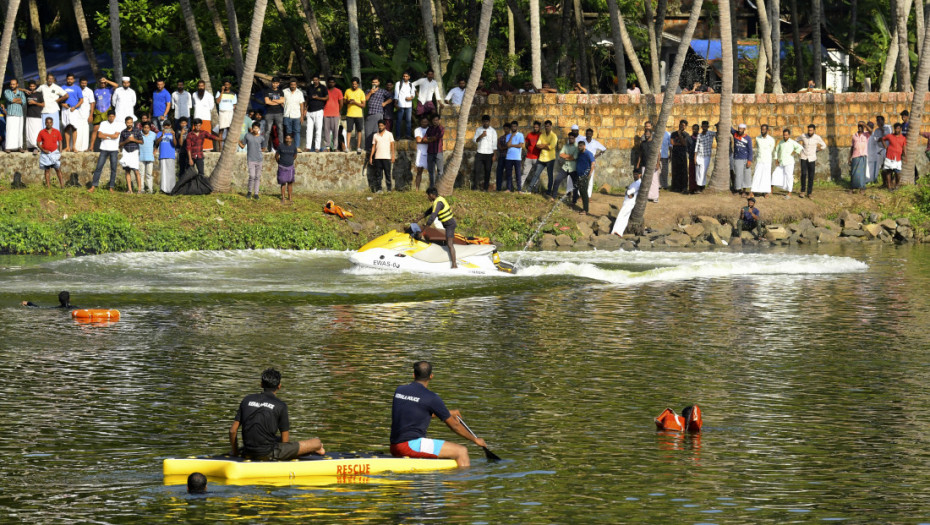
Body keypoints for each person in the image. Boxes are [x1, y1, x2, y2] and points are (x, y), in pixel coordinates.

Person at [390, 361, 487, 467]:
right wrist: (475, 439)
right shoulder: (431, 398)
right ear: (431, 376)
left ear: (413, 375)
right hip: (411, 445)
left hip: (394, 445)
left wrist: (447, 413)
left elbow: (418, 411)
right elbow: (455, 426)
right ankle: (461, 481)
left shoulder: (399, 390)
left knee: (447, 451)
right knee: (461, 451)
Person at [229, 368, 325, 461]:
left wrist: (235, 452)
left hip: (247, 451)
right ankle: (317, 448)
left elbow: (233, 431)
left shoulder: (247, 399)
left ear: (261, 384)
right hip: (268, 453)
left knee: (276, 439)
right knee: (316, 442)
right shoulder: (280, 405)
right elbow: (285, 442)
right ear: (279, 386)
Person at [90, 111, 121, 192]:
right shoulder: (103, 123)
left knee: (113, 168)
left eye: (113, 116)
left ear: (115, 116)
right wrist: (111, 135)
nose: (111, 117)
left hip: (114, 149)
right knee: (99, 167)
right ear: (107, 116)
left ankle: (111, 187)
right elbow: (99, 135)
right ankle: (93, 186)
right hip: (104, 148)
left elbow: (116, 136)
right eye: (110, 116)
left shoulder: (118, 124)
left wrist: (106, 135)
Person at [527, 120, 558, 194]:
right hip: (541, 158)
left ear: (551, 126)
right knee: (536, 174)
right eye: (545, 126)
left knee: (550, 175)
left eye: (548, 126)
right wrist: (546, 145)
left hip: (550, 159)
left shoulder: (554, 136)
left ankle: (549, 191)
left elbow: (551, 147)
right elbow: (537, 145)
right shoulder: (542, 135)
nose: (546, 128)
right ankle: (529, 190)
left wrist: (543, 145)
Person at [574, 128, 607, 198]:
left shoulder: (595, 142)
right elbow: (577, 149)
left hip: (591, 162)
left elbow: (604, 149)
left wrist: (597, 155)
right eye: (587, 133)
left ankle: (588, 196)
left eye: (590, 134)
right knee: (581, 179)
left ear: (592, 134)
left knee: (590, 179)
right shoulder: (582, 142)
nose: (588, 135)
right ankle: (580, 195)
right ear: (585, 134)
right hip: (582, 162)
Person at [772, 128, 803, 198]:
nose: (785, 136)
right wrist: (776, 159)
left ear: (789, 135)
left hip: (789, 162)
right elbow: (776, 150)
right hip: (781, 162)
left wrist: (794, 152)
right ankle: (771, 190)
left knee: (789, 176)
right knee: (775, 174)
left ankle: (789, 192)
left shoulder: (792, 142)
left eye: (786, 135)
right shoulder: (780, 142)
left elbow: (800, 147)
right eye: (784, 135)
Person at [797, 124, 826, 198]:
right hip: (803, 157)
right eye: (809, 130)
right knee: (803, 174)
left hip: (812, 158)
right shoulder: (803, 136)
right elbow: (796, 141)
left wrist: (818, 149)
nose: (810, 132)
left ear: (814, 130)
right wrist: (799, 149)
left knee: (811, 175)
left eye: (811, 130)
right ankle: (802, 191)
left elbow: (824, 145)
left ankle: (809, 193)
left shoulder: (817, 137)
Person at [611, 169, 642, 236]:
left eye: (636, 175)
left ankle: (615, 231)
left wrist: (627, 191)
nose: (635, 176)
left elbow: (630, 192)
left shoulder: (638, 183)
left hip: (629, 202)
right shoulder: (635, 182)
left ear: (640, 175)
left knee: (621, 216)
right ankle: (619, 232)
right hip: (628, 201)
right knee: (625, 217)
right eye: (634, 174)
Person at [549, 130, 579, 200]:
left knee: (575, 185)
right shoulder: (566, 146)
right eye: (569, 138)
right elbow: (561, 154)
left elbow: (574, 157)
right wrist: (569, 157)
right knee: (557, 180)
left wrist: (567, 156)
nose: (570, 139)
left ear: (574, 139)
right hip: (565, 167)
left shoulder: (577, 147)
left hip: (573, 168)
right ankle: (553, 197)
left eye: (572, 138)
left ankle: (574, 200)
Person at [238, 122, 264, 199]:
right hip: (251, 159)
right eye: (254, 128)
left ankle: (256, 193)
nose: (255, 130)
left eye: (257, 128)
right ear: (252, 128)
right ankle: (249, 191)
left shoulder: (261, 138)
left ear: (259, 129)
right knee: (252, 176)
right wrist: (238, 141)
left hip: (259, 160)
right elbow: (243, 146)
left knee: (257, 177)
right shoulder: (248, 136)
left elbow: (263, 148)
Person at [364, 76, 390, 152]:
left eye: (376, 82)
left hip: (378, 113)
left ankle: (377, 148)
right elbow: (365, 99)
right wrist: (370, 93)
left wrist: (385, 103)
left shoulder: (382, 91)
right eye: (373, 82)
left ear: (378, 83)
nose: (374, 83)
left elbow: (391, 97)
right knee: (368, 131)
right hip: (370, 114)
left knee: (377, 131)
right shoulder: (368, 90)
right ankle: (368, 148)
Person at [37, 117, 64, 188]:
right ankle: (48, 187)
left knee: (58, 169)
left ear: (52, 123)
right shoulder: (41, 132)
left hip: (55, 153)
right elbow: (38, 143)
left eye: (50, 122)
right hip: (45, 154)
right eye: (47, 122)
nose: (49, 124)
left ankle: (62, 186)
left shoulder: (56, 131)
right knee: (47, 171)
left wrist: (60, 152)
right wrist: (43, 150)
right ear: (45, 123)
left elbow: (60, 142)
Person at [119, 116, 144, 193]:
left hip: (134, 152)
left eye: (131, 122)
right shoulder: (123, 132)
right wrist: (127, 140)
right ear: (125, 123)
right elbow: (120, 144)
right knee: (127, 171)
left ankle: (139, 190)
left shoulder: (137, 131)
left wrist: (134, 140)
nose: (130, 124)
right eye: (128, 122)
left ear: (133, 122)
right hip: (126, 152)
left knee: (136, 171)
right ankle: (130, 190)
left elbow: (142, 141)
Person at [472, 115, 497, 191]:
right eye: (484, 121)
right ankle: (475, 187)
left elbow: (494, 144)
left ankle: (485, 188)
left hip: (489, 154)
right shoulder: (479, 130)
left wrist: (494, 155)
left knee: (487, 171)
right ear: (482, 122)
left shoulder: (493, 131)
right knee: (477, 170)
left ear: (489, 122)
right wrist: (481, 136)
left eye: (487, 121)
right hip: (480, 153)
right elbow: (475, 140)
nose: (486, 123)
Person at [369, 119, 395, 192]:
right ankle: (379, 189)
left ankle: (389, 189)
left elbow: (392, 145)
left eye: (381, 125)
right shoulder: (375, 135)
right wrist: (371, 157)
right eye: (379, 126)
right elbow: (373, 146)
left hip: (387, 157)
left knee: (388, 174)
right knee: (378, 174)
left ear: (385, 126)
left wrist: (393, 156)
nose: (380, 127)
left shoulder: (389, 134)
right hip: (377, 157)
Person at [750, 124, 775, 198]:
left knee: (766, 177)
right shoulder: (758, 138)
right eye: (761, 129)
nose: (762, 131)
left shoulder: (771, 139)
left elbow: (771, 150)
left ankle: (765, 192)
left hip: (767, 160)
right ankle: (753, 191)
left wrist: (765, 155)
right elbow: (758, 148)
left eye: (764, 129)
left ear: (767, 130)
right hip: (759, 160)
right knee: (757, 175)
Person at [571, 140, 596, 214]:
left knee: (584, 192)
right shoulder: (579, 153)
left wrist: (589, 174)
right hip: (579, 174)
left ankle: (585, 210)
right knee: (581, 192)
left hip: (585, 175)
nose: (579, 147)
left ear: (584, 146)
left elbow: (593, 163)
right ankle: (584, 209)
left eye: (581, 146)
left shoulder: (588, 153)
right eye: (579, 146)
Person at [305, 74, 328, 152]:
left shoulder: (323, 88)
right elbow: (307, 98)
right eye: (314, 80)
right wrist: (305, 108)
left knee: (318, 130)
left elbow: (326, 98)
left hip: (318, 110)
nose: (315, 81)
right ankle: (308, 147)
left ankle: (317, 147)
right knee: (308, 130)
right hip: (310, 111)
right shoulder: (309, 87)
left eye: (316, 79)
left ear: (319, 80)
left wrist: (318, 98)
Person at [636, 129, 660, 202]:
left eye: (648, 134)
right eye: (645, 134)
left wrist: (658, 163)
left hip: (652, 164)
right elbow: (640, 154)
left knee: (654, 181)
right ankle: (647, 196)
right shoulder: (642, 143)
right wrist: (638, 164)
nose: (646, 135)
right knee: (645, 181)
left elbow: (658, 154)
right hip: (644, 164)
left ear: (651, 134)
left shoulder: (654, 143)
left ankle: (655, 197)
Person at [881, 123, 907, 191]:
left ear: (900, 129)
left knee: (897, 172)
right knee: (888, 172)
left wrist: (905, 156)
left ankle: (897, 185)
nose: (896, 130)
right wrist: (886, 147)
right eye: (895, 128)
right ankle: (889, 187)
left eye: (898, 128)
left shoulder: (903, 138)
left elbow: (904, 148)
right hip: (889, 156)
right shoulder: (890, 136)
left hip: (897, 158)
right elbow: (882, 139)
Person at [191, 80, 216, 151]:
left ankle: (207, 149)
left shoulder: (209, 96)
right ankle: (196, 148)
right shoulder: (194, 95)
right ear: (197, 87)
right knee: (196, 133)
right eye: (199, 86)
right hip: (197, 116)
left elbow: (211, 106)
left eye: (202, 86)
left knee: (206, 134)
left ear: (204, 86)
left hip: (206, 117)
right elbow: (193, 104)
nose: (201, 87)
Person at [343, 77, 366, 152]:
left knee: (359, 131)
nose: (354, 85)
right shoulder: (347, 91)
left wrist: (355, 102)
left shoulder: (361, 92)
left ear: (358, 84)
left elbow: (363, 105)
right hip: (349, 114)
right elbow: (344, 101)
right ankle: (347, 147)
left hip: (358, 115)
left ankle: (358, 147)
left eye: (355, 84)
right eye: (353, 84)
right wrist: (348, 102)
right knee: (349, 130)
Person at [262, 77, 284, 152]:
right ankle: (264, 147)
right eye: (273, 83)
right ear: (272, 83)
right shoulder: (267, 91)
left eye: (276, 83)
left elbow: (282, 101)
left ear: (278, 84)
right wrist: (277, 101)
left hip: (279, 113)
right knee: (267, 130)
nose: (275, 84)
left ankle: (281, 146)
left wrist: (273, 100)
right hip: (269, 113)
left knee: (280, 130)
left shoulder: (281, 92)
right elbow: (267, 102)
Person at [867, 116, 891, 185]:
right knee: (882, 167)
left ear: (883, 121)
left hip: (888, 149)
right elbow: (877, 139)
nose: (878, 122)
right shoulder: (876, 131)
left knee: (888, 167)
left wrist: (882, 130)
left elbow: (887, 137)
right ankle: (884, 183)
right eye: (877, 121)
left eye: (880, 121)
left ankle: (890, 182)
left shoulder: (888, 127)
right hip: (880, 150)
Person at [91, 76, 113, 149]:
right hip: (98, 112)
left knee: (107, 130)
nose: (103, 84)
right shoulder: (96, 91)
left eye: (104, 83)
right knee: (95, 130)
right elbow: (93, 102)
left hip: (107, 112)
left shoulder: (109, 89)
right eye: (101, 82)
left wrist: (107, 80)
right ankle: (91, 147)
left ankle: (107, 146)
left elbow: (116, 85)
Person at [670, 119, 692, 193]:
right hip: (675, 154)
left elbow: (684, 143)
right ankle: (675, 187)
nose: (681, 126)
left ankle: (684, 187)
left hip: (682, 154)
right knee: (675, 170)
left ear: (685, 127)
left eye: (683, 125)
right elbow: (672, 142)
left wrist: (680, 135)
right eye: (681, 124)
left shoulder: (686, 135)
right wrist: (679, 143)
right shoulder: (673, 133)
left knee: (683, 170)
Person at [731, 123, 754, 196]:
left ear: (744, 129)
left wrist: (749, 160)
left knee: (746, 175)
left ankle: (744, 191)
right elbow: (729, 127)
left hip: (745, 159)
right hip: (737, 158)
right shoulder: (735, 134)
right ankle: (738, 189)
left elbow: (750, 150)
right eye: (739, 128)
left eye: (741, 129)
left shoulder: (748, 138)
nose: (739, 130)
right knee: (738, 175)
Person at [3, 78, 25, 152]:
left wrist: (16, 100)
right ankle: (8, 147)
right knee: (10, 130)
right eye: (11, 84)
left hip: (19, 114)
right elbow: (11, 100)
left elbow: (24, 101)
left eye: (13, 84)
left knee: (19, 131)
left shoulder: (21, 92)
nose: (12, 85)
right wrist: (18, 100)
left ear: (17, 84)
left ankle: (19, 147)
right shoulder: (7, 91)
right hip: (11, 114)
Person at [214, 79, 237, 151]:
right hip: (222, 112)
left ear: (230, 85)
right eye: (225, 84)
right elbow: (217, 102)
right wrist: (222, 92)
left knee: (229, 130)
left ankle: (228, 147)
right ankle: (220, 147)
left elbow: (234, 105)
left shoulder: (233, 94)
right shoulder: (219, 92)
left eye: (228, 84)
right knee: (221, 130)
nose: (226, 86)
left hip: (230, 112)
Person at [502, 120, 525, 192]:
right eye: (512, 126)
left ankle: (519, 189)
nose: (513, 128)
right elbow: (508, 145)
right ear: (511, 127)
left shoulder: (520, 135)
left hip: (517, 158)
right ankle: (509, 188)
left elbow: (520, 145)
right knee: (508, 174)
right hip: (509, 157)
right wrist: (511, 136)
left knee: (518, 174)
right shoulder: (508, 135)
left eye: (515, 126)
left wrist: (512, 145)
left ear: (517, 127)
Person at [322, 77, 343, 151]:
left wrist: (337, 111)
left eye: (332, 82)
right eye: (330, 82)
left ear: (335, 83)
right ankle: (327, 147)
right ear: (327, 83)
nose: (331, 83)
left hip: (335, 114)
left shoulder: (338, 91)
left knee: (335, 132)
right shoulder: (324, 91)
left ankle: (335, 147)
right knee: (326, 131)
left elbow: (341, 103)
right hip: (326, 113)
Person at [155, 122, 177, 194]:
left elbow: (175, 144)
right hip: (163, 155)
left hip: (170, 155)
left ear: (170, 126)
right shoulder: (159, 133)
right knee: (164, 173)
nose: (167, 127)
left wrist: (173, 135)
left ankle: (172, 189)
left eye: (168, 125)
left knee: (171, 173)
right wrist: (162, 135)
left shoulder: (172, 133)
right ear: (163, 126)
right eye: (165, 126)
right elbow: (157, 143)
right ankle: (163, 189)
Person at [849, 121, 870, 193]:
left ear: (864, 127)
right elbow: (852, 147)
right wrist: (850, 157)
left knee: (862, 173)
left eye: (862, 126)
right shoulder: (854, 135)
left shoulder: (866, 134)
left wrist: (865, 125)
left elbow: (871, 131)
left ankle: (862, 188)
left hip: (863, 156)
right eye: (859, 126)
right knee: (854, 173)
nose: (860, 127)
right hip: (855, 156)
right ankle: (852, 187)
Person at [276, 134, 298, 204]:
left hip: (290, 166)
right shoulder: (281, 146)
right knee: (283, 183)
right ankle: (283, 198)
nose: (288, 140)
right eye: (286, 138)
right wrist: (279, 162)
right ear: (285, 139)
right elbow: (276, 156)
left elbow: (295, 156)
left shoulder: (294, 147)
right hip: (282, 166)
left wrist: (290, 161)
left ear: (291, 139)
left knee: (290, 183)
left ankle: (290, 198)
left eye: (289, 139)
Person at [424, 114, 445, 187]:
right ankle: (432, 187)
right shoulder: (429, 128)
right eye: (434, 120)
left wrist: (430, 139)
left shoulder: (441, 128)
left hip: (438, 152)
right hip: (430, 152)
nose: (435, 122)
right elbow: (424, 139)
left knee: (440, 171)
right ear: (432, 121)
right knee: (431, 171)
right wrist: (431, 138)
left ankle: (439, 186)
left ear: (439, 120)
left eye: (436, 120)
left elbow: (436, 138)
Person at [74, 77, 95, 152]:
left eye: (85, 83)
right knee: (76, 130)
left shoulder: (89, 91)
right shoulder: (75, 89)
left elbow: (92, 103)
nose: (84, 84)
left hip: (86, 114)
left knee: (85, 131)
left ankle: (85, 148)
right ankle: (75, 147)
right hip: (76, 113)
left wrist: (91, 115)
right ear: (79, 82)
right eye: (82, 83)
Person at [394, 72, 415, 139]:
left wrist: (410, 98)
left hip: (409, 105)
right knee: (399, 121)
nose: (405, 77)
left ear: (409, 77)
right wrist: (395, 103)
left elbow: (413, 94)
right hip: (401, 104)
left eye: (406, 76)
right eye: (404, 76)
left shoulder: (411, 84)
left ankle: (408, 135)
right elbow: (396, 94)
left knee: (408, 121)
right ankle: (397, 136)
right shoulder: (398, 83)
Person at [25, 80, 44, 151]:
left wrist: (34, 103)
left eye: (33, 86)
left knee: (36, 131)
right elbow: (18, 89)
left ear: (36, 86)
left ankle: (36, 146)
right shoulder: (26, 93)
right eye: (30, 86)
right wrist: (25, 90)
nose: (32, 87)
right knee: (29, 132)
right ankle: (29, 147)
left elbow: (43, 104)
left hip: (37, 115)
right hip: (29, 115)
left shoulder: (39, 94)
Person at [138, 121, 157, 193]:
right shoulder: (139, 134)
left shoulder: (153, 134)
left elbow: (157, 143)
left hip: (150, 157)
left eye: (148, 128)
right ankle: (141, 189)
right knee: (141, 174)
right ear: (142, 127)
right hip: (141, 157)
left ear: (150, 128)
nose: (146, 129)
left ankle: (150, 189)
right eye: (145, 127)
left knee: (149, 174)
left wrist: (155, 149)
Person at [522, 121, 542, 190]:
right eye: (534, 127)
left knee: (536, 175)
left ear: (539, 127)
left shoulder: (541, 135)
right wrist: (530, 150)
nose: (535, 128)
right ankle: (519, 188)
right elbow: (526, 144)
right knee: (525, 173)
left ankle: (535, 189)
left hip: (537, 158)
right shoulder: (529, 135)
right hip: (529, 157)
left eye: (537, 127)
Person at [413, 115, 430, 190]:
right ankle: (417, 189)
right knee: (419, 172)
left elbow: (421, 140)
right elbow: (418, 140)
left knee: (432, 172)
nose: (424, 123)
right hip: (420, 153)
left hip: (429, 152)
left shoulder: (430, 129)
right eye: (423, 122)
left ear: (428, 122)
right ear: (420, 122)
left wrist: (423, 139)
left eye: (426, 122)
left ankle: (432, 188)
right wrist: (428, 140)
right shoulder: (417, 130)